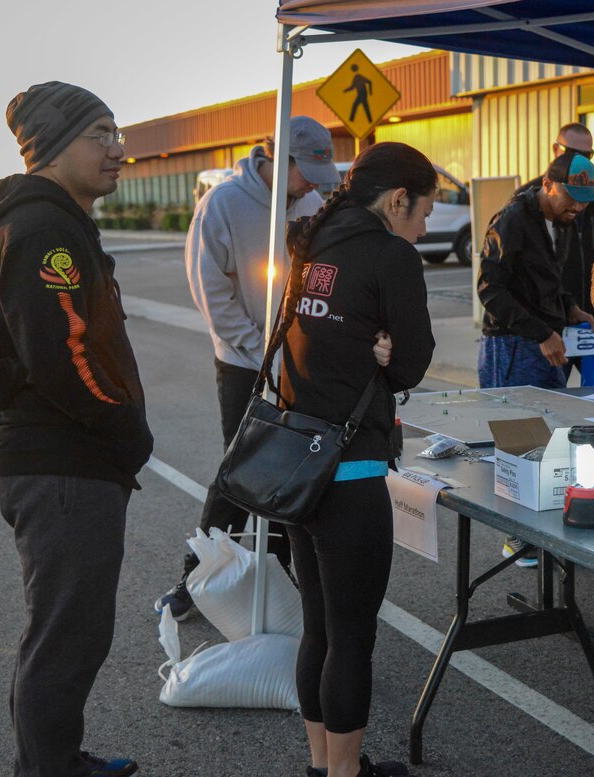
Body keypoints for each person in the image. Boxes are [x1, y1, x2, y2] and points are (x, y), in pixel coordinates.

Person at [0, 81, 153, 777]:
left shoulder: (46, 221)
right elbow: (62, 356)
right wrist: (126, 430)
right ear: (49, 146)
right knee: (64, 638)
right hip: (65, 465)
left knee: (67, 634)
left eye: (118, 133)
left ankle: (53, 759)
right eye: (100, 134)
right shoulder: (44, 230)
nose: (118, 150)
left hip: (61, 462)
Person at [283, 141, 436, 777]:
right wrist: (384, 352)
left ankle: (324, 766)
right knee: (352, 638)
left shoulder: (311, 241)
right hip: (350, 467)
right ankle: (345, 775)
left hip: (297, 463)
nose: (425, 226)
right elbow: (409, 364)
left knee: (318, 627)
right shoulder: (390, 254)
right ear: (397, 200)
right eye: (424, 211)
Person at [154, 116, 341, 621]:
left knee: (293, 466)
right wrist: (255, 349)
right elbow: (209, 288)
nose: (310, 187)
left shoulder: (310, 203)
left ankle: (277, 577)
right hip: (242, 362)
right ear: (276, 159)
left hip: (296, 359)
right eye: (305, 173)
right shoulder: (223, 203)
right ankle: (195, 576)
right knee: (241, 469)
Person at [477, 150, 594, 565]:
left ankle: (544, 532)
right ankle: (516, 538)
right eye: (571, 197)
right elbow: (491, 291)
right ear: (547, 184)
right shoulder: (511, 220)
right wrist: (541, 332)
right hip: (512, 346)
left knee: (551, 443)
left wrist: (571, 309)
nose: (578, 207)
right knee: (518, 446)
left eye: (585, 200)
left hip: (548, 343)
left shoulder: (561, 223)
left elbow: (545, 281)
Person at [516, 123, 594, 378]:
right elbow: (511, 274)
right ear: (555, 149)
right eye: (570, 152)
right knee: (551, 403)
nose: (578, 160)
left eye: (587, 155)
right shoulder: (528, 199)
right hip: (552, 327)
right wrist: (540, 326)